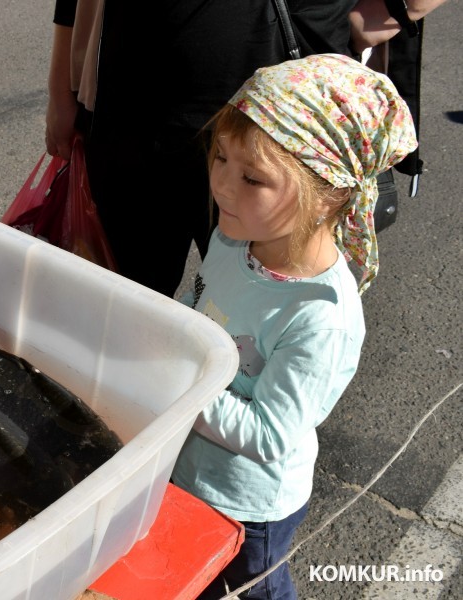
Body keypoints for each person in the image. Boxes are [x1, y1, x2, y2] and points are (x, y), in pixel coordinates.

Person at [170, 54, 418, 599]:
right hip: (187, 468)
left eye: (252, 177)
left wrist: (177, 382)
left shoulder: (320, 318)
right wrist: (168, 322)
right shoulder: (234, 238)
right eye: (219, 158)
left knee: (253, 589)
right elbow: (199, 297)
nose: (222, 186)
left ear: (329, 192)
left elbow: (268, 434)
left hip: (248, 504)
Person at [46, 0, 443, 298]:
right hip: (127, 115)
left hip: (280, 134)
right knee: (123, 303)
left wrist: (363, 20)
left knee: (262, 318)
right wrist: (60, 90)